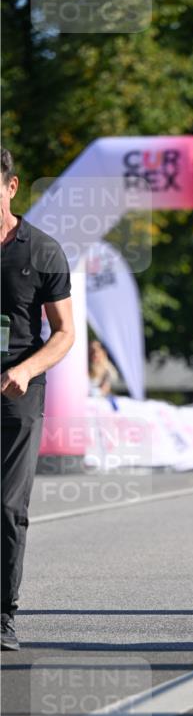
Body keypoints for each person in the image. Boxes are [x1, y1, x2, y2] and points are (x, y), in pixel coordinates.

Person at [1, 147, 74, 650]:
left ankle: (3, 614)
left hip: (16, 391)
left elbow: (65, 333)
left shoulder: (41, 250)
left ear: (11, 186)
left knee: (5, 506)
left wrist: (25, 370)